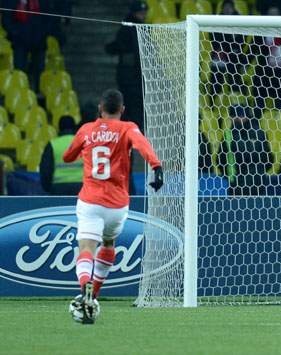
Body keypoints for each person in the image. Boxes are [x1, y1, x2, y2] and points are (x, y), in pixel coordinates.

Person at [63, 89, 163, 324]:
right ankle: (94, 293)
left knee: (87, 247)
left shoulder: (86, 130)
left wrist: (82, 151)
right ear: (122, 110)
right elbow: (142, 145)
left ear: (100, 108)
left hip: (90, 201)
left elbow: (68, 157)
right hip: (118, 204)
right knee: (108, 243)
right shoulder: (128, 128)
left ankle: (84, 286)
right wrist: (157, 167)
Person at [105, 1, 148, 131]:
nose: (143, 15)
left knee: (131, 105)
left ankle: (129, 129)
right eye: (140, 12)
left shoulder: (131, 27)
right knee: (132, 105)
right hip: (131, 76)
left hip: (131, 75)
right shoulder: (131, 28)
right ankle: (133, 130)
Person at [217, 105, 273, 195]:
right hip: (244, 182)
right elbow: (220, 159)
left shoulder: (259, 134)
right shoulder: (259, 133)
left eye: (239, 115)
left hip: (248, 182)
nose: (236, 118)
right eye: (233, 116)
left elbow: (268, 159)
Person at [40, 116, 82, 195]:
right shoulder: (82, 143)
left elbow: (45, 169)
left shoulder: (52, 144)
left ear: (59, 128)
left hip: (58, 187)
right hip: (81, 186)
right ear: (74, 127)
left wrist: (48, 188)